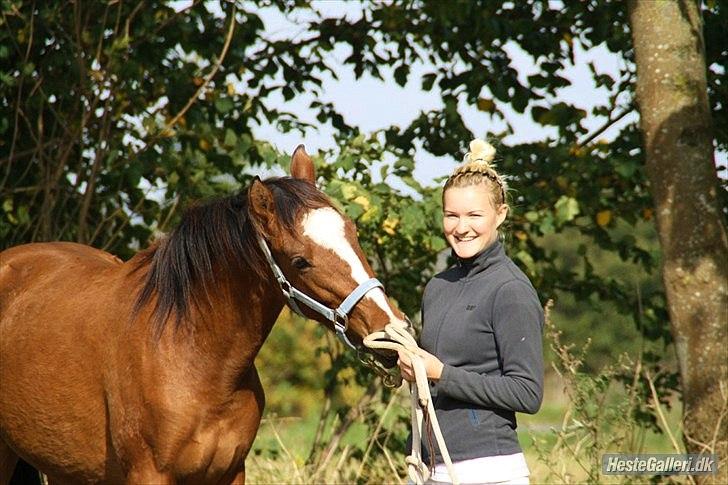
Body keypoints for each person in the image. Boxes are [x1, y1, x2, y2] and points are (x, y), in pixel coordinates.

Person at [398, 139, 544, 485]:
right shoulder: (437, 286)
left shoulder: (511, 290)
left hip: (487, 471)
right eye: (452, 215)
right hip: (429, 466)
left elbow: (527, 392)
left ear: (501, 215)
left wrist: (440, 373)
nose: (461, 227)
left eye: (474, 215)